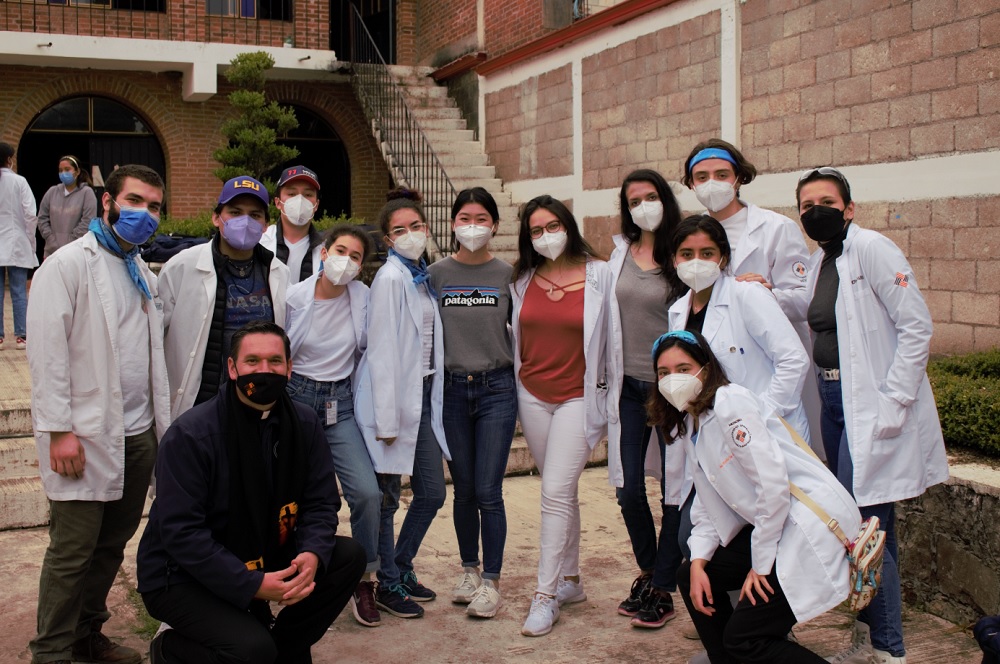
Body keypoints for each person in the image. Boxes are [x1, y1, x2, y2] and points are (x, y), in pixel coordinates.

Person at [137, 321, 366, 663]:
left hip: (266, 551)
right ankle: (169, 650)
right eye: (252, 361)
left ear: (290, 369)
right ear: (232, 368)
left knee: (348, 557)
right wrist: (251, 584)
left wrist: (312, 553)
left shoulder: (304, 424)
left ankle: (281, 648)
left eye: (275, 362)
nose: (264, 370)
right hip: (181, 575)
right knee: (251, 650)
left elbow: (321, 502)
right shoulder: (192, 435)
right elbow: (181, 534)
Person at [797, 167, 949, 664]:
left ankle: (889, 651)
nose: (814, 210)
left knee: (863, 529)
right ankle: (870, 641)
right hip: (835, 406)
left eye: (825, 200)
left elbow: (916, 326)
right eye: (805, 205)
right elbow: (809, 311)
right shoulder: (823, 260)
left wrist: (895, 400)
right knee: (873, 528)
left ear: (849, 208)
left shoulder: (873, 249)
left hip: (871, 409)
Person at [26, 164, 171, 664]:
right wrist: (58, 431)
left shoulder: (140, 271)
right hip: (82, 436)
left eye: (154, 206)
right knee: (71, 552)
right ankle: (50, 653)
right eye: (135, 201)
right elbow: (45, 355)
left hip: (135, 433)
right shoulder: (67, 265)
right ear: (107, 201)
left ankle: (86, 634)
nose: (145, 214)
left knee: (112, 545)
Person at [649, 330, 861, 664]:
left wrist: (760, 568)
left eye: (683, 368)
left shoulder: (728, 403)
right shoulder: (696, 423)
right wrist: (700, 560)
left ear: (705, 369)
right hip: (780, 524)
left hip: (808, 525)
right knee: (690, 574)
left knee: (746, 638)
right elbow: (707, 503)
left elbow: (772, 486)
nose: (673, 379)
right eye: (664, 373)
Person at [681, 139, 822, 456]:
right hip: (712, 371)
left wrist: (768, 294)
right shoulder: (689, 234)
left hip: (766, 374)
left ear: (739, 178)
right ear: (691, 184)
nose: (711, 184)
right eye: (701, 177)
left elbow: (805, 301)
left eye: (721, 174)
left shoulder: (775, 229)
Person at [511, 195, 611, 637]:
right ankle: (570, 581)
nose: (545, 236)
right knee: (563, 490)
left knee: (552, 490)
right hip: (532, 395)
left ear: (568, 225)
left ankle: (545, 595)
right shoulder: (523, 279)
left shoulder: (600, 274)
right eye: (536, 230)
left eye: (552, 225)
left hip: (578, 397)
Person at [354, 188, 450, 618]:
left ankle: (401, 566)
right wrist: (386, 420)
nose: (410, 234)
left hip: (425, 396)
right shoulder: (391, 278)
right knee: (389, 498)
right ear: (388, 240)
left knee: (430, 493)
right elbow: (382, 354)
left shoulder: (420, 272)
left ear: (426, 230)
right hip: (392, 402)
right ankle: (388, 584)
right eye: (400, 230)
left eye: (416, 226)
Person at [284, 225, 385, 627]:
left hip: (339, 404)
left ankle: (363, 578)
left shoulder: (363, 299)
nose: (346, 261)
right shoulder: (294, 296)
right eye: (340, 250)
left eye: (356, 256)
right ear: (324, 253)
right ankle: (287, 571)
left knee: (367, 493)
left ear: (361, 267)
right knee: (286, 493)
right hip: (294, 401)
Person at [427, 187, 517, 619]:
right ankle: (468, 570)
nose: (473, 226)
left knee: (488, 490)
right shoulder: (436, 274)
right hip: (451, 389)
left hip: (497, 387)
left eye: (482, 218)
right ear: (452, 224)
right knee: (462, 489)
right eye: (465, 218)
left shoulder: (508, 275)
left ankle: (493, 581)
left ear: (495, 225)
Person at [604, 169, 685, 629]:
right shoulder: (620, 254)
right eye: (634, 200)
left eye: (650, 197)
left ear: (664, 200)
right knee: (628, 489)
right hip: (628, 389)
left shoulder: (681, 252)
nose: (643, 207)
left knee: (675, 487)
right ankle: (651, 570)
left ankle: (664, 588)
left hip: (671, 390)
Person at [158, 175, 289, 419]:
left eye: (255, 215)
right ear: (217, 217)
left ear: (265, 225)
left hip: (256, 397)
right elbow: (156, 337)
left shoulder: (278, 272)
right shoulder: (181, 267)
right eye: (235, 212)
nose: (245, 221)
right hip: (200, 400)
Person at [0, 142, 38, 351]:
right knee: (18, 291)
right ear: (9, 159)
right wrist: (30, 241)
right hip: (16, 242)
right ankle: (21, 336)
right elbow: (30, 214)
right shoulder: (19, 181)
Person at [260, 165, 324, 284]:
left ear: (316, 205)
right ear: (278, 202)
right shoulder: (260, 243)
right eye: (291, 194)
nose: (300, 200)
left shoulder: (327, 249)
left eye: (308, 195)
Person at [38, 155, 98, 259]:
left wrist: (71, 241)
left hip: (76, 251)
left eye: (67, 169)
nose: (63, 173)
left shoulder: (87, 193)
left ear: (77, 171)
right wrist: (50, 239)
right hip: (51, 251)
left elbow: (88, 220)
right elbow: (42, 218)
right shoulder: (52, 192)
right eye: (60, 170)